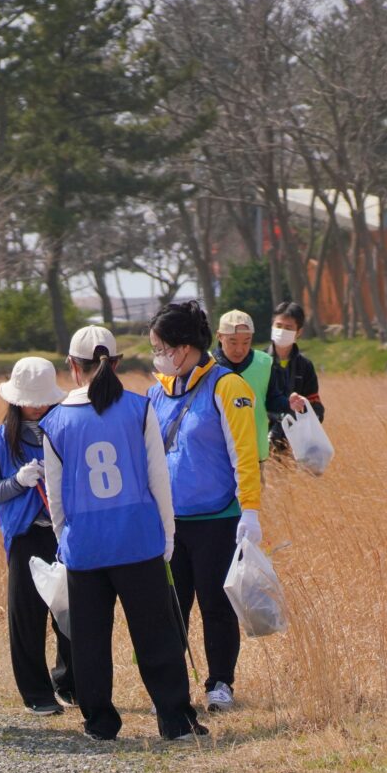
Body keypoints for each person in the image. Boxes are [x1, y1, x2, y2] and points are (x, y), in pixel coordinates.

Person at [41, 327, 204, 742]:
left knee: (90, 641)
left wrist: (66, 540)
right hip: (138, 540)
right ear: (114, 364)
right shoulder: (139, 407)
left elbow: (56, 499)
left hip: (85, 547)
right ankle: (175, 720)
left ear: (72, 367)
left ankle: (100, 723)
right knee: (157, 636)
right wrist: (167, 535)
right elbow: (158, 479)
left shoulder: (54, 421)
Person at [148, 300, 263, 713]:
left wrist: (250, 509)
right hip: (169, 522)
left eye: (160, 346)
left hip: (217, 519)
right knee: (169, 608)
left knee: (216, 605)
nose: (157, 355)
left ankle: (220, 682)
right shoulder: (156, 392)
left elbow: (244, 455)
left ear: (182, 347)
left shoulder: (227, 386)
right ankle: (172, 684)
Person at [0, 356, 76, 715]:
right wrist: (18, 482)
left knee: (69, 611)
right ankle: (36, 693)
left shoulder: (65, 431)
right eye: (28, 401)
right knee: (27, 616)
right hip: (25, 536)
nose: (36, 408)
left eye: (42, 400)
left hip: (64, 534)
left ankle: (70, 683)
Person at [213, 309, 282, 466]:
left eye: (246, 342)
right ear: (219, 336)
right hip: (216, 461)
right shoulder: (206, 367)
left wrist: (290, 403)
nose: (240, 349)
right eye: (233, 342)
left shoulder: (265, 363)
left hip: (254, 460)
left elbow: (273, 400)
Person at [267, 302, 323, 452]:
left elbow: (316, 407)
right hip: (260, 442)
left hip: (295, 446)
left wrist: (303, 416)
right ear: (272, 326)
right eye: (278, 326)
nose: (282, 331)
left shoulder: (305, 367)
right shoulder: (258, 361)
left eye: (288, 328)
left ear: (299, 332)